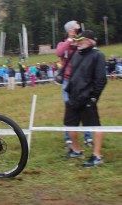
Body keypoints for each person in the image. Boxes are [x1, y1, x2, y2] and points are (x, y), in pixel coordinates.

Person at [63, 30, 107, 167]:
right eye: (78, 39)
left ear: (90, 41)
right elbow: (73, 75)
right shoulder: (76, 55)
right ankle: (76, 151)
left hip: (88, 98)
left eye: (82, 39)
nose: (79, 42)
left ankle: (97, 156)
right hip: (73, 97)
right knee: (69, 125)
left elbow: (101, 80)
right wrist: (69, 91)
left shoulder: (98, 55)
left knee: (95, 126)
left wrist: (94, 97)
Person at [55, 20, 93, 149]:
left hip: (81, 82)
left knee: (85, 109)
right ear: (70, 30)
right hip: (67, 82)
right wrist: (70, 39)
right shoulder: (64, 43)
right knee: (70, 110)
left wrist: (79, 41)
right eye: (77, 29)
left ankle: (88, 137)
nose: (79, 31)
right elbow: (59, 52)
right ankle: (69, 140)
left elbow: (90, 50)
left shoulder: (80, 43)